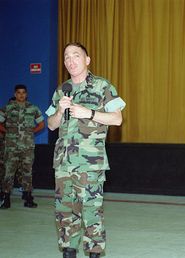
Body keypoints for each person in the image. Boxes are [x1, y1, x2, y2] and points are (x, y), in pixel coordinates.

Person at [46, 42, 126, 258]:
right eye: (66, 57)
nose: (70, 61)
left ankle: (94, 253)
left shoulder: (103, 86)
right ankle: (68, 252)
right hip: (63, 163)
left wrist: (88, 113)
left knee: (91, 213)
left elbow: (117, 119)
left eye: (76, 55)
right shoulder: (61, 90)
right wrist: (60, 111)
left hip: (90, 164)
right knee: (64, 213)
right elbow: (51, 125)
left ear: (87, 60)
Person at [0, 85, 45, 209]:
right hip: (11, 147)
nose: (21, 95)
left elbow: (41, 124)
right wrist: (7, 132)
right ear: (15, 94)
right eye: (18, 93)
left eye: (23, 93)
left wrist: (31, 133)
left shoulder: (33, 108)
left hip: (27, 147)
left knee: (27, 172)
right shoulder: (8, 108)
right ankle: (6, 198)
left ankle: (28, 198)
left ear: (26, 94)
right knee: (8, 172)